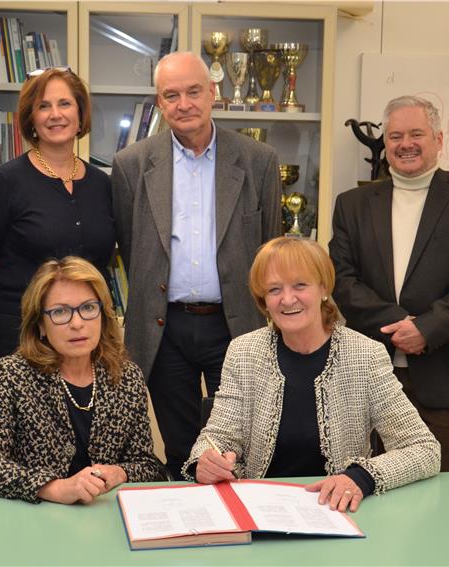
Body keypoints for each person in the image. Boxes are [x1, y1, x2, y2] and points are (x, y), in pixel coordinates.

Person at [111, 51, 282, 479]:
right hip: (163, 329)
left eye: (193, 92)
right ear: (159, 101)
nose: (184, 104)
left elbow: (271, 250)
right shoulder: (131, 165)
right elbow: (132, 251)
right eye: (171, 95)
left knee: (238, 447)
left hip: (236, 326)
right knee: (181, 449)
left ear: (212, 93)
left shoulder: (258, 160)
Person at [184, 237, 440, 512]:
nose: (287, 299)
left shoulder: (365, 355)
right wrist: (204, 462)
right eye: (274, 289)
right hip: (259, 512)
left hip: (338, 510)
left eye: (300, 285)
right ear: (264, 300)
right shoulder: (243, 352)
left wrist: (361, 478)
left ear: (323, 288)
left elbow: (424, 448)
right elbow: (217, 437)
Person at [329, 95, 449, 472]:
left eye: (416, 134)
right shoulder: (352, 204)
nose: (405, 144)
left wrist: (426, 329)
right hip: (372, 370)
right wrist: (397, 325)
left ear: (438, 139)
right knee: (370, 481)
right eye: (395, 136)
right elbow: (341, 278)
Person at [0, 256, 165, 504]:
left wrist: (121, 472)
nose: (77, 323)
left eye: (88, 308)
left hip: (103, 515)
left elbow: (147, 465)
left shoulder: (127, 376)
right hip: (33, 515)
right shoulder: (13, 373)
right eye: (60, 312)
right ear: (40, 324)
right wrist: (53, 488)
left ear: (103, 315)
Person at [0, 67, 115, 378]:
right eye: (43, 106)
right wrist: (23, 297)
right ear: (31, 118)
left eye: (64, 103)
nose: (55, 114)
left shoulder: (102, 184)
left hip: (86, 333)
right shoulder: (6, 182)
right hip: (21, 332)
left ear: (80, 113)